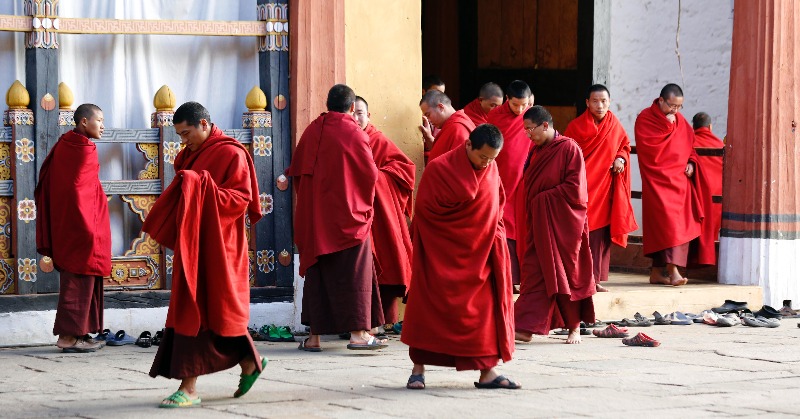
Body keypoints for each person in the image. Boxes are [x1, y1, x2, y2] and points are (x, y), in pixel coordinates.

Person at [143, 102, 265, 408]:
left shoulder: (231, 153)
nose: (183, 140)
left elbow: (240, 200)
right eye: (180, 135)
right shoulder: (187, 155)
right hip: (195, 241)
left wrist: (201, 184)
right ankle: (249, 362)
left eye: (187, 133)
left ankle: (190, 387)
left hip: (222, 243)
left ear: (205, 124)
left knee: (204, 307)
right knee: (204, 308)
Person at [401, 124, 519, 390]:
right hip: (441, 254)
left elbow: (496, 204)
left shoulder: (491, 168)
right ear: (468, 146)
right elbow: (426, 214)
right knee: (428, 308)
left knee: (484, 311)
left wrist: (493, 236)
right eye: (482, 157)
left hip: (482, 253)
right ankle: (417, 369)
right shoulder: (439, 169)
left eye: (492, 159)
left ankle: (488, 371)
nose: (487, 163)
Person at [287, 84, 386, 352]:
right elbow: (370, 174)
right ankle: (358, 335)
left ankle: (314, 338)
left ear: (327, 103)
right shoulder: (354, 132)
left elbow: (298, 173)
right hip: (349, 215)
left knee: (318, 271)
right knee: (354, 273)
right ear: (352, 108)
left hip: (318, 218)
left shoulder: (311, 130)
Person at [514, 106, 596, 345]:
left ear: (546, 125)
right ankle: (525, 327)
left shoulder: (569, 148)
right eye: (525, 130)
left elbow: (576, 190)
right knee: (535, 273)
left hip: (564, 225)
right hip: (540, 223)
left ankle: (574, 327)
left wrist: (542, 199)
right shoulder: (537, 151)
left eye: (530, 129)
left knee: (567, 274)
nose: (528, 134)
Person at [35, 103, 110, 354]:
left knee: (82, 279)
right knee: (78, 280)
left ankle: (80, 334)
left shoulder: (66, 144)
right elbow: (78, 192)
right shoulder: (83, 148)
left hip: (69, 223)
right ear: (84, 122)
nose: (102, 125)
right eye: (99, 120)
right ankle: (68, 337)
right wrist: (89, 228)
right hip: (81, 226)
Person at [564, 85, 638, 292]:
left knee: (599, 239)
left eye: (604, 101)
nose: (600, 105)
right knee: (581, 235)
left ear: (609, 102)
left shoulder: (614, 124)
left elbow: (624, 145)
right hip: (582, 188)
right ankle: (578, 279)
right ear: (587, 103)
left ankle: (594, 279)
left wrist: (621, 159)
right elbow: (567, 156)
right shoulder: (575, 127)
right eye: (595, 101)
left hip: (605, 189)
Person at [634, 84, 707, 286]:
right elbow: (649, 150)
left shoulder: (681, 122)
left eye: (679, 107)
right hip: (657, 181)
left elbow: (690, 146)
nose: (675, 110)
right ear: (660, 101)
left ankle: (657, 273)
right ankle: (673, 271)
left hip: (679, 182)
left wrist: (691, 163)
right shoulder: (646, 119)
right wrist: (667, 125)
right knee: (666, 225)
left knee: (678, 225)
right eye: (672, 106)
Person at [353, 96, 415, 332]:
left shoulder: (377, 140)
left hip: (379, 216)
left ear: (369, 116)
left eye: (361, 112)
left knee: (385, 265)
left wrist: (374, 179)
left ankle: (379, 321)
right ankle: (359, 322)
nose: (357, 117)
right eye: (353, 112)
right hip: (354, 214)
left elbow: (405, 169)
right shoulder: (344, 140)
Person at [487, 80, 534, 288]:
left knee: (521, 230)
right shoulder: (495, 116)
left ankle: (522, 278)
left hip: (523, 184)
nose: (521, 109)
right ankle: (505, 278)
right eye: (516, 105)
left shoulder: (532, 116)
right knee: (503, 229)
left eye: (524, 105)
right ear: (507, 100)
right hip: (501, 181)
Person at [691, 112, 723, 266]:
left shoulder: (689, 142)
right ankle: (709, 259)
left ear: (693, 127)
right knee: (712, 229)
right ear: (710, 127)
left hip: (695, 195)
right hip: (716, 196)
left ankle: (690, 260)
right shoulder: (720, 145)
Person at [418, 90, 476, 162]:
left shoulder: (458, 128)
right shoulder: (450, 125)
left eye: (428, 115)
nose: (428, 120)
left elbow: (458, 164)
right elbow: (442, 153)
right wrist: (428, 138)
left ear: (441, 107)